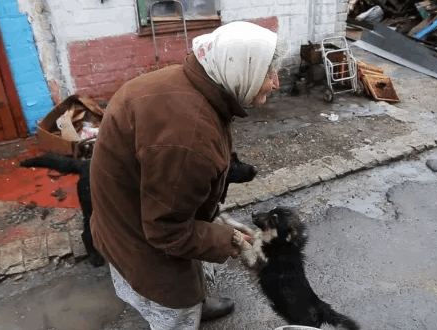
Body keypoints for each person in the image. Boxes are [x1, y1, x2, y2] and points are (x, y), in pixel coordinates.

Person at [89, 21, 288, 330]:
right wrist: (229, 240)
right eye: (267, 73)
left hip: (124, 216)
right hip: (139, 242)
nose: (275, 83)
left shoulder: (192, 84)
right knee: (174, 316)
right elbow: (166, 232)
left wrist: (216, 220)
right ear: (238, 70)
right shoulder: (189, 135)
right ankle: (186, 314)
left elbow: (176, 194)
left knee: (191, 276)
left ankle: (197, 303)